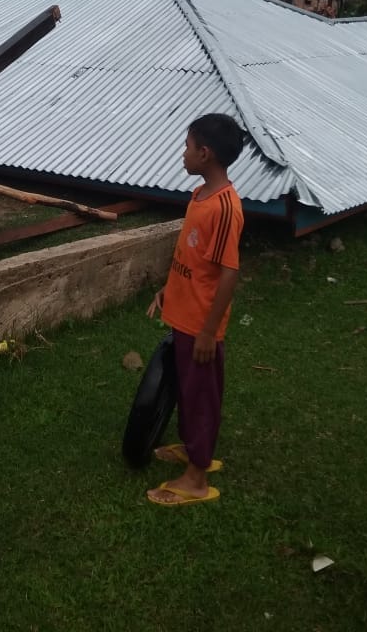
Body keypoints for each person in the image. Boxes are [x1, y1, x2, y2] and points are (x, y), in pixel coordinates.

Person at [146, 113, 245, 506]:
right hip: (184, 317)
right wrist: (167, 291)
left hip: (200, 326)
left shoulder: (224, 208)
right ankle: (192, 448)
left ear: (205, 154)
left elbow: (229, 272)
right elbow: (192, 257)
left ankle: (196, 479)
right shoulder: (200, 196)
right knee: (188, 391)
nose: (182, 154)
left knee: (201, 397)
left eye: (187, 147)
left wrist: (208, 331)